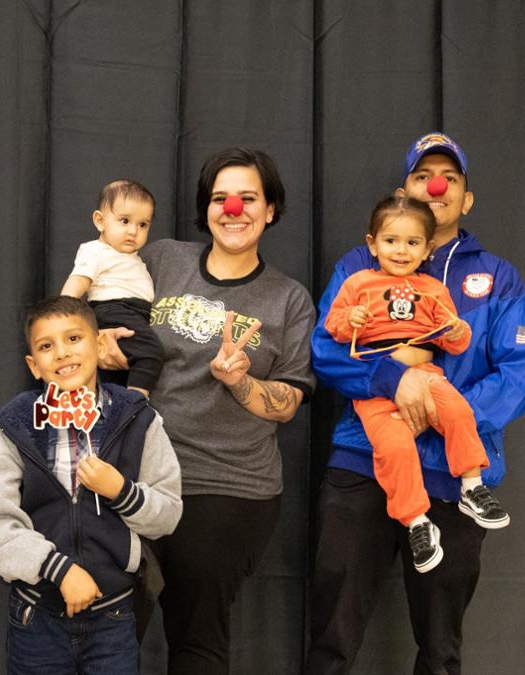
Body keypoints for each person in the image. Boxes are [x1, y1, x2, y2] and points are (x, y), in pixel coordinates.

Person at [307, 132, 525, 674]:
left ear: (465, 198)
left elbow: (518, 371)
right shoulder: (358, 267)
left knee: (440, 649)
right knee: (332, 634)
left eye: (449, 179)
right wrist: (393, 379)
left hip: (453, 471)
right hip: (365, 457)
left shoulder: (499, 278)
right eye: (423, 177)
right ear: (404, 190)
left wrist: (438, 409)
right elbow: (325, 348)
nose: (436, 186)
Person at [100, 147, 316, 674]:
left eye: (248, 198)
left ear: (269, 210)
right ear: (206, 209)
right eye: (221, 198)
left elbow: (287, 403)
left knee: (196, 639)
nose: (233, 209)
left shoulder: (288, 300)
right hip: (131, 475)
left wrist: (242, 382)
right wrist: (99, 340)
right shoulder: (160, 260)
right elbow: (89, 318)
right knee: (104, 630)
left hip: (226, 486)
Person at [0, 295, 182, 675]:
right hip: (37, 615)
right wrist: (60, 570)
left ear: (100, 345)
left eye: (74, 339)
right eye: (46, 346)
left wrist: (120, 490)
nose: (62, 354)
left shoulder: (139, 420)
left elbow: (167, 515)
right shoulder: (15, 427)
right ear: (33, 366)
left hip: (114, 613)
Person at [324, 194, 511, 572]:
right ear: (372, 243)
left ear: (427, 249)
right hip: (375, 390)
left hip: (427, 376)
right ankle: (416, 522)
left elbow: (453, 341)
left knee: (458, 411)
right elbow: (334, 329)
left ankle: (472, 485)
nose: (400, 250)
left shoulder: (433, 290)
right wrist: (351, 319)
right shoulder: (357, 282)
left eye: (412, 243)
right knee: (393, 447)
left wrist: (458, 330)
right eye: (391, 241)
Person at [61, 179, 164, 395]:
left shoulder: (134, 258)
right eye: (124, 221)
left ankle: (116, 408)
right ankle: (133, 407)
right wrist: (65, 315)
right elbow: (78, 281)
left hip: (135, 314)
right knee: (150, 354)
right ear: (100, 221)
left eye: (142, 224)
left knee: (119, 371)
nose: (133, 231)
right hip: (114, 310)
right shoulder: (95, 251)